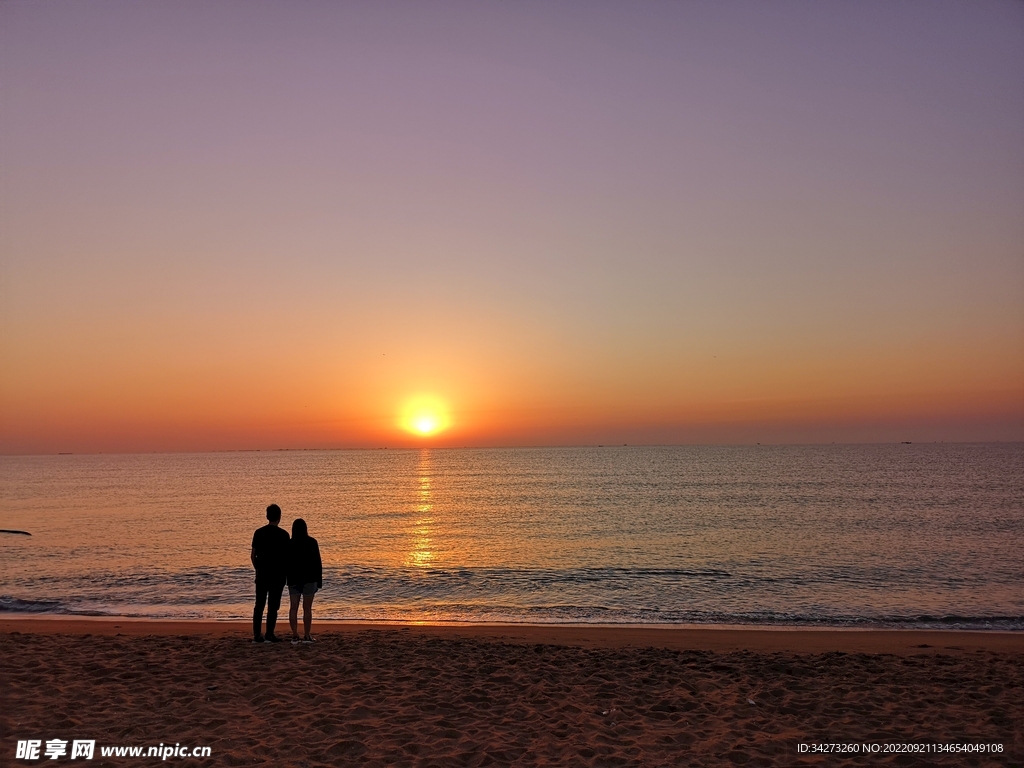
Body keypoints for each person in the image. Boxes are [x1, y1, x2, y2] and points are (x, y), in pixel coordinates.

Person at [250, 504, 290, 643]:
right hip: (278, 576)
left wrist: (257, 569)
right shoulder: (284, 535)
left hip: (262, 574)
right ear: (279, 517)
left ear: (267, 516)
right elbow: (287, 558)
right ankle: (269, 633)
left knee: (259, 604)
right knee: (273, 606)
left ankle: (257, 634)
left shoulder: (259, 532)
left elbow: (253, 555)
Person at [287, 518, 322, 644]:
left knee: (293, 608)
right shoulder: (312, 542)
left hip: (293, 579)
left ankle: (295, 635)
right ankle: (307, 635)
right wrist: (319, 581)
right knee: (307, 608)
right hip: (310, 578)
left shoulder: (289, 544)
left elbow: (286, 563)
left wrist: (286, 579)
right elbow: (318, 563)